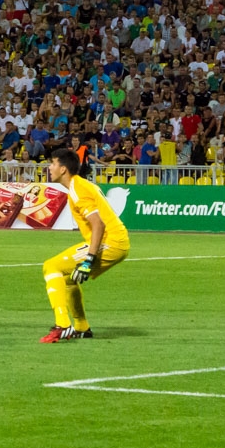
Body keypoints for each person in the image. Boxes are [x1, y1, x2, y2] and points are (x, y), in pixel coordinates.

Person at [40, 147, 130, 343]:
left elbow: (98, 224)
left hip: (111, 241)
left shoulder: (77, 188)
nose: (50, 167)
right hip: (113, 239)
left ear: (63, 169)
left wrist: (89, 260)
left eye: (53, 163)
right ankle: (82, 327)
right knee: (68, 279)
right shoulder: (80, 185)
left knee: (51, 266)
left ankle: (63, 325)